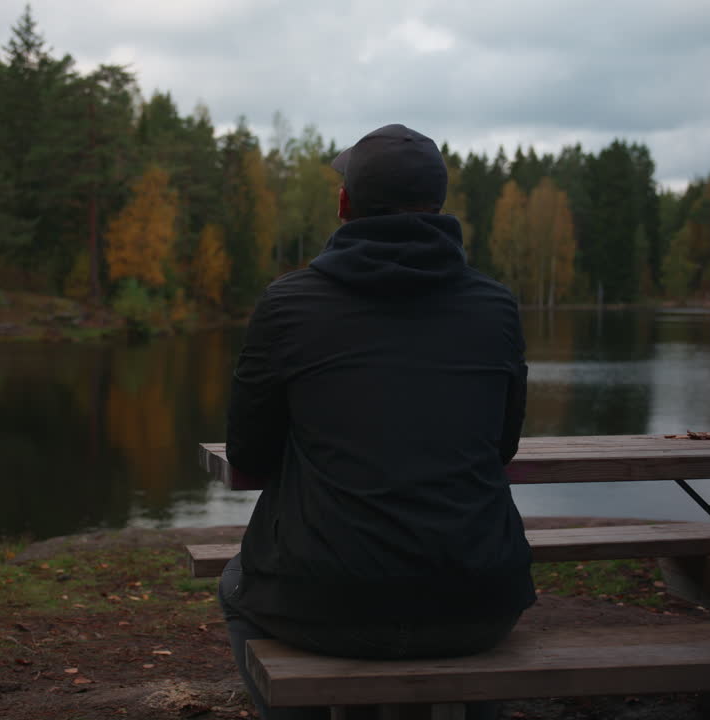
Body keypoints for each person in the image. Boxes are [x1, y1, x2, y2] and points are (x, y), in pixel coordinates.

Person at [218, 123, 534, 719]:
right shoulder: (495, 306)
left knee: (237, 584)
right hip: (479, 600)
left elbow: (250, 455)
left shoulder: (289, 303)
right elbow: (502, 446)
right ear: (438, 207)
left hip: (323, 603)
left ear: (344, 205)